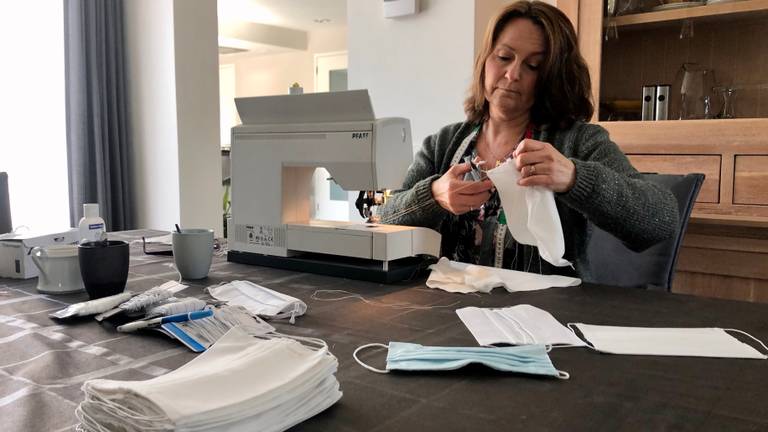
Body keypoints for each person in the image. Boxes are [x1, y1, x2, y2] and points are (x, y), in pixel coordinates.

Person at [378, 1, 679, 280]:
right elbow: (386, 220)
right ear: (486, 59)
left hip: (545, 320)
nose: (511, 74)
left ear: (553, 75)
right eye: (504, 57)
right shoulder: (443, 144)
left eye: (533, 65)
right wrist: (433, 195)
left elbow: (660, 221)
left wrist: (576, 179)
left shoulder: (579, 141)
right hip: (449, 313)